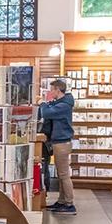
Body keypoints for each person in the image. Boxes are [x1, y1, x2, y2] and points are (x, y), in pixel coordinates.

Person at [40, 78, 77, 215]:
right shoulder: (61, 103)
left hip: (62, 142)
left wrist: (42, 103)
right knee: (62, 174)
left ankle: (69, 204)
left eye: (52, 90)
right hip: (59, 142)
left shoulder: (64, 105)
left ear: (58, 90)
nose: (50, 92)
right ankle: (62, 201)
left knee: (64, 175)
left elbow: (47, 113)